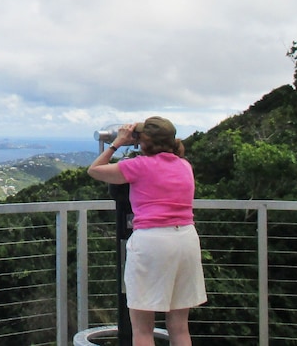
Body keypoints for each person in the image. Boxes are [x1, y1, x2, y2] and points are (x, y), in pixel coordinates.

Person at [87, 117, 207, 346]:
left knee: (142, 329)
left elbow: (95, 170)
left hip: (153, 242)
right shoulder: (184, 165)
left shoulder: (139, 166)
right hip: (186, 240)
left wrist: (116, 143)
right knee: (180, 327)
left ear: (143, 141)